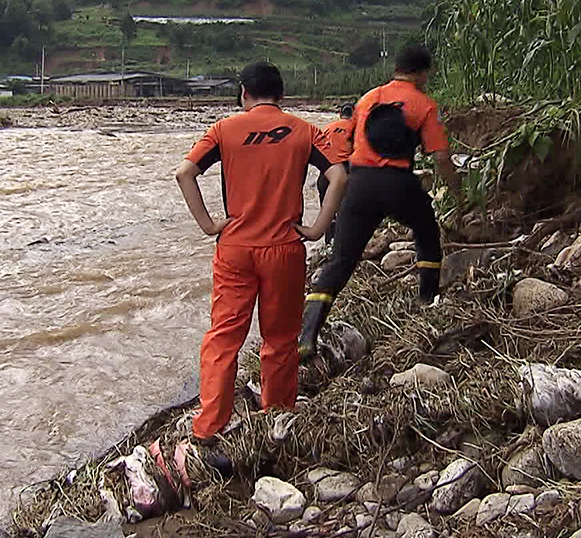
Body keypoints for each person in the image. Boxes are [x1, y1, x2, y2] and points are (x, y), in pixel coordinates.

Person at [175, 61, 348, 444]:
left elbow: (185, 172)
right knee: (281, 339)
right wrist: (318, 228)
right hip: (285, 248)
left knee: (223, 338)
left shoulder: (224, 129)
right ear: (281, 96)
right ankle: (277, 415)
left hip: (235, 248)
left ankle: (208, 428)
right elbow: (339, 175)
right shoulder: (304, 130)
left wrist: (208, 224)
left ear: (243, 93)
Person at [298, 45, 462, 359]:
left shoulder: (367, 99)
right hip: (399, 183)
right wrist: (456, 192)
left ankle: (307, 334)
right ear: (423, 73)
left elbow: (353, 140)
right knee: (427, 232)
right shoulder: (425, 104)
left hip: (359, 185)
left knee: (341, 260)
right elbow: (440, 156)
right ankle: (427, 300)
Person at [316, 103, 355, 243]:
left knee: (327, 212)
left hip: (326, 172)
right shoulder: (356, 128)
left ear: (339, 113)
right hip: (347, 171)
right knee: (348, 212)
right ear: (354, 114)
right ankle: (344, 244)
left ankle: (328, 244)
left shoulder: (327, 128)